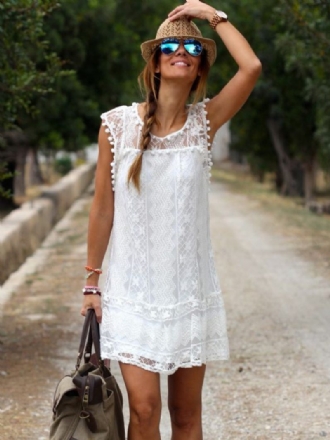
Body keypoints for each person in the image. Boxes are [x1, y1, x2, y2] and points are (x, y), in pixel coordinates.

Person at [81, 1, 261, 439]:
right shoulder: (117, 126)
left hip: (188, 295)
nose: (182, 51)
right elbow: (102, 208)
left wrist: (211, 15)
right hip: (132, 294)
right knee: (143, 412)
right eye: (171, 45)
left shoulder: (205, 123)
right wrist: (91, 283)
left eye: (192, 48)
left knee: (185, 416)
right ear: (157, 62)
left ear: (199, 68)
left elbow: (251, 66)